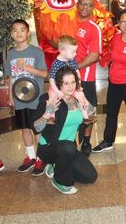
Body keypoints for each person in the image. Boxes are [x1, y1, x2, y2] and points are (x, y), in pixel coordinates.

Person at [33, 66, 97, 194]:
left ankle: (57, 166)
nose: (70, 86)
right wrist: (46, 114)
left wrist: (83, 99)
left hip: (68, 149)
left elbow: (91, 115)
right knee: (67, 147)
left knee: (90, 176)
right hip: (48, 147)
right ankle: (60, 181)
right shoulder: (50, 99)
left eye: (73, 82)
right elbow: (36, 128)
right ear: (58, 84)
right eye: (66, 83)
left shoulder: (76, 98)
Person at [92, 9, 126, 155]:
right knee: (111, 114)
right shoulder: (115, 37)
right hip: (114, 83)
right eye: (123, 21)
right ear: (118, 23)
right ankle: (108, 141)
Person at [5, 19, 48, 176]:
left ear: (28, 33)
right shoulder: (11, 54)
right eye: (15, 30)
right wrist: (10, 97)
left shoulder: (37, 52)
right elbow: (10, 77)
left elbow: (44, 73)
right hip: (19, 98)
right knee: (24, 128)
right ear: (11, 34)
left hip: (35, 99)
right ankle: (31, 157)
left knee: (37, 129)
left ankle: (41, 158)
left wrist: (26, 67)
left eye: (22, 30)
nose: (18, 33)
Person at [75, 0, 102, 157]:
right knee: (69, 110)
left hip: (85, 77)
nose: (85, 7)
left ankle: (86, 142)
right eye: (82, 4)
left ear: (93, 8)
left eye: (89, 5)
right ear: (77, 5)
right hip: (66, 80)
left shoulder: (94, 28)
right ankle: (70, 140)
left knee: (88, 110)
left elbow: (94, 56)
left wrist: (73, 67)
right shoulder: (67, 23)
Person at [48, 35, 81, 100]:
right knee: (52, 96)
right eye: (72, 52)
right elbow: (51, 80)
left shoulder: (72, 59)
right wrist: (57, 91)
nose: (75, 54)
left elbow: (77, 72)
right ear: (62, 52)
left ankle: (83, 109)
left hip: (70, 86)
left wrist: (78, 84)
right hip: (57, 86)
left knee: (81, 95)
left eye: (75, 51)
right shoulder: (56, 63)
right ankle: (53, 109)